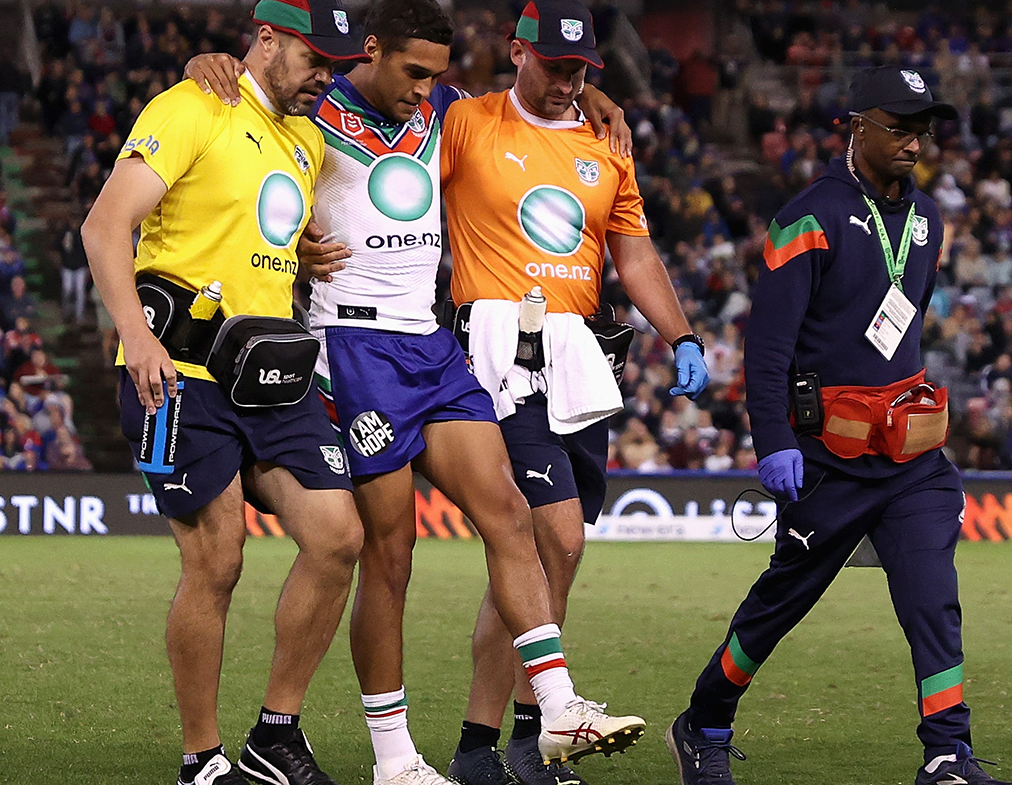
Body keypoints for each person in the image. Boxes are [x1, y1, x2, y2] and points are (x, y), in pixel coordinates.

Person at [183, 3, 647, 784]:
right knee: (389, 555)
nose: (427, 90)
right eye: (414, 73)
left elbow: (533, 110)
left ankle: (560, 703)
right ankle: (394, 758)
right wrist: (208, 65)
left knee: (508, 509)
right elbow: (258, 157)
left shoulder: (446, 115)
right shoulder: (317, 106)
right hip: (349, 345)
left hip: (431, 342)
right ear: (370, 51)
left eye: (437, 76)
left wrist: (601, 101)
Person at [666, 66, 1012, 785]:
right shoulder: (808, 217)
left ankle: (948, 751)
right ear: (855, 126)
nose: (915, 142)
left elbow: (902, 330)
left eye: (923, 129)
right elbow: (768, 350)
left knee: (931, 594)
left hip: (913, 458)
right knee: (778, 607)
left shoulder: (930, 222)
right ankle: (704, 720)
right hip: (828, 458)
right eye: (899, 126)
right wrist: (775, 442)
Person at [80, 3, 372, 784]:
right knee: (218, 557)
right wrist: (134, 337)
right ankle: (200, 760)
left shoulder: (306, 140)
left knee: (338, 536)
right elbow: (105, 226)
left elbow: (255, 231)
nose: (325, 78)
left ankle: (275, 735)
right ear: (266, 40)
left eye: (334, 66)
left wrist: (300, 254)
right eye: (315, 60)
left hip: (272, 376)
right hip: (175, 371)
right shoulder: (190, 107)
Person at [441, 2, 709, 783]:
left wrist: (683, 335)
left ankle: (491, 745)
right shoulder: (465, 124)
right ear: (517, 52)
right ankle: (541, 725)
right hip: (501, 362)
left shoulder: (606, 151)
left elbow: (635, 257)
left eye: (580, 71)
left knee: (536, 562)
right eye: (555, 67)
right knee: (554, 538)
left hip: (581, 366)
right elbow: (380, 95)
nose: (568, 83)